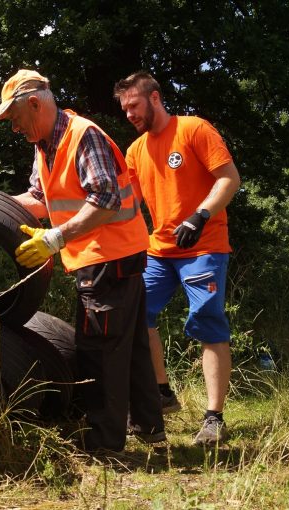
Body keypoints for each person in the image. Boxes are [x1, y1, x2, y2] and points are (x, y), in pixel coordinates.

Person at [0, 69, 165, 453]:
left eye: (15, 119)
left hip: (108, 256)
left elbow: (105, 200)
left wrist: (55, 238)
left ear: (35, 104)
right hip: (111, 253)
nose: (14, 129)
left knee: (98, 350)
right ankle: (150, 428)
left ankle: (104, 444)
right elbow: (39, 197)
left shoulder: (83, 136)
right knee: (132, 347)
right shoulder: (45, 145)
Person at [113, 71, 241, 446]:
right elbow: (127, 206)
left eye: (134, 105)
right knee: (137, 313)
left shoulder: (194, 129)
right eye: (124, 109)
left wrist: (200, 215)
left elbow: (229, 178)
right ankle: (162, 394)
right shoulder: (135, 150)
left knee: (206, 320)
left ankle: (214, 418)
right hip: (159, 250)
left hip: (204, 247)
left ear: (154, 99)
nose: (129, 114)